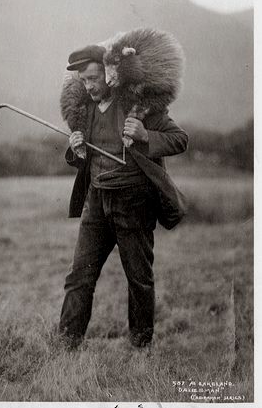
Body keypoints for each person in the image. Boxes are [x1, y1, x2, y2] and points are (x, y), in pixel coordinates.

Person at [58, 44, 188, 349]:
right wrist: (77, 151)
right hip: (96, 203)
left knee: (138, 279)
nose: (88, 86)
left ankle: (140, 349)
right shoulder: (85, 110)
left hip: (134, 203)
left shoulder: (137, 105)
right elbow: (84, 159)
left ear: (109, 72)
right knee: (79, 276)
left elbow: (180, 139)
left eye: (93, 78)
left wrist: (145, 135)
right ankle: (66, 345)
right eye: (83, 80)